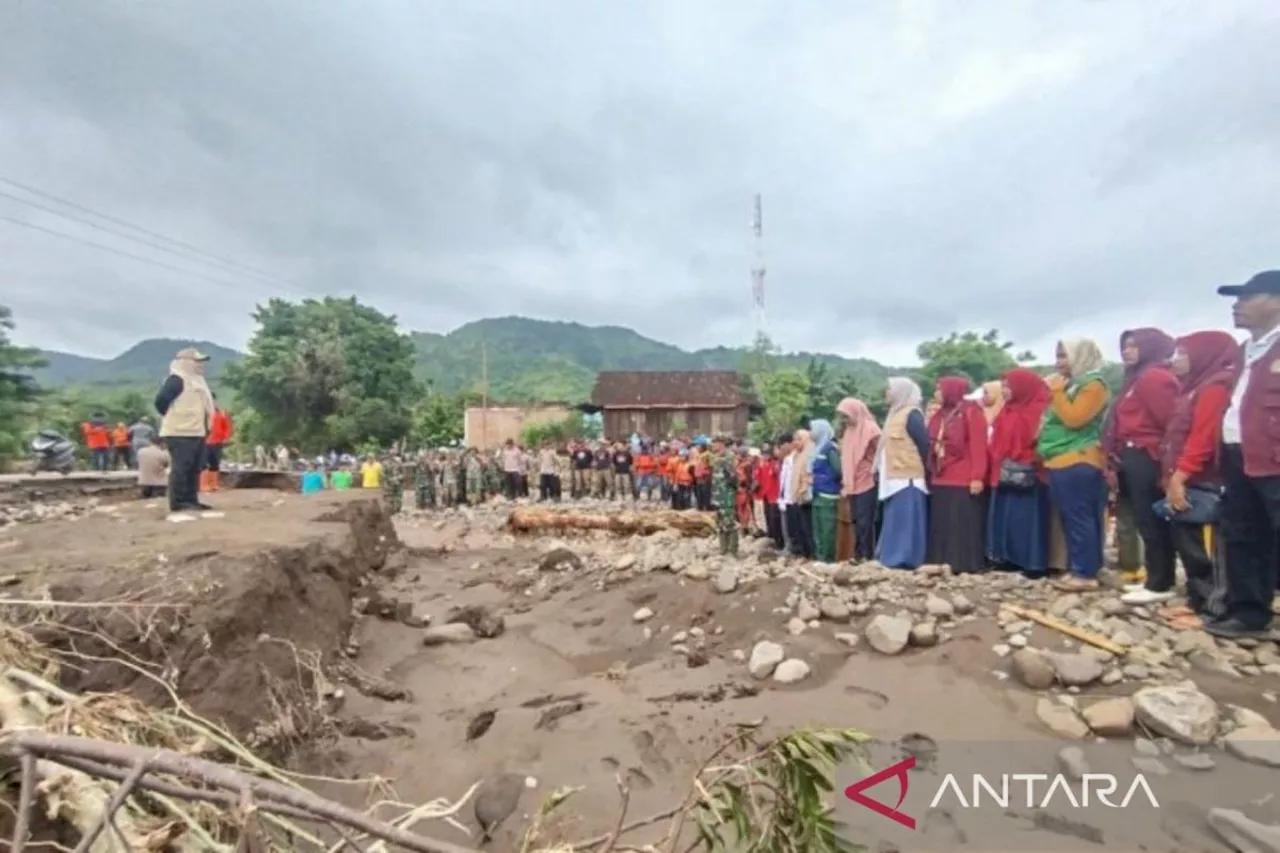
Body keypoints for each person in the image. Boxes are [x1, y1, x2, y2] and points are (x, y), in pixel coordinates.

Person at [1148, 331, 1242, 629]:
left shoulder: (1215, 388)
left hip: (1203, 479)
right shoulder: (1192, 388)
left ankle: (1213, 608)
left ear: (1203, 355)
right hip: (1188, 477)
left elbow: (1202, 437)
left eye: (1183, 354)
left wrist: (1181, 475)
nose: (1176, 360)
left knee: (1206, 546)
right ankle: (1196, 600)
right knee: (1187, 541)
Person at [1209, 270, 1280, 639]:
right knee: (1242, 534)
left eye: (1247, 298)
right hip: (1240, 456)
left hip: (1274, 459)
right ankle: (1249, 613)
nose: (1237, 306)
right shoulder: (1244, 351)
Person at [1104, 328, 1180, 604]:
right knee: (1143, 519)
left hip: (1147, 454)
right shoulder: (1135, 379)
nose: (1127, 351)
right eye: (1125, 346)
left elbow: (1170, 422)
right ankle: (1156, 577)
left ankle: (1160, 582)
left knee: (1152, 520)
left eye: (1134, 346)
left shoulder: (1154, 378)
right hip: (1132, 454)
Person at [1040, 339, 1111, 591]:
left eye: (1064, 356)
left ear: (1080, 356)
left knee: (1081, 517)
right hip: (1062, 458)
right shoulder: (1073, 384)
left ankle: (1086, 573)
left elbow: (1075, 419)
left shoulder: (1093, 385)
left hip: (1079, 459)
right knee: (1072, 517)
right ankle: (1081, 567)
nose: (1058, 362)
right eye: (1057, 356)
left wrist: (1056, 392)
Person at [987, 368, 1052, 576]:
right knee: (1007, 516)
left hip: (1030, 471)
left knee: (1029, 519)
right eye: (1003, 386)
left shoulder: (1038, 410)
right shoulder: (1007, 410)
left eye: (1009, 386)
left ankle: (1032, 562)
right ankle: (1008, 558)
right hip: (1006, 471)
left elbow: (1039, 439)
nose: (1005, 390)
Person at [926, 377, 989, 574]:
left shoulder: (971, 411)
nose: (936, 393)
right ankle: (940, 561)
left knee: (961, 522)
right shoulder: (939, 415)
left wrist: (977, 476)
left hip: (963, 477)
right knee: (942, 521)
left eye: (939, 389)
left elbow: (979, 446)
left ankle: (964, 564)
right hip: (941, 475)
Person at [876, 377, 930, 569]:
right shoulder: (895, 415)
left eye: (890, 390)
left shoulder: (912, 415)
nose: (887, 394)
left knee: (906, 521)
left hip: (908, 478)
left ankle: (904, 559)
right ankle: (890, 557)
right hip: (893, 478)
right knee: (896, 520)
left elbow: (924, 445)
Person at [153, 348, 215, 513]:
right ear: (186, 362)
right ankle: (178, 501)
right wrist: (177, 417)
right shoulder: (176, 380)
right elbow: (160, 402)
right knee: (181, 467)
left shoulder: (198, 381)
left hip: (197, 431)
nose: (201, 365)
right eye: (197, 361)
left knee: (195, 467)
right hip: (179, 431)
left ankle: (191, 500)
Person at [836, 398, 881, 563]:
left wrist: (872, 467)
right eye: (843, 416)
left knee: (865, 520)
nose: (845, 420)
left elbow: (881, 452)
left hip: (866, 479)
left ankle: (867, 554)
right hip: (851, 482)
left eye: (846, 415)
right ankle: (858, 553)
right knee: (855, 519)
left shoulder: (871, 429)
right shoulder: (849, 431)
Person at [808, 419, 843, 563]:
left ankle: (828, 559)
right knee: (818, 529)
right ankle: (819, 557)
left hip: (828, 495)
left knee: (827, 530)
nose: (810, 433)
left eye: (812, 429)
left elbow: (838, 471)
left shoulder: (830, 449)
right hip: (817, 494)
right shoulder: (817, 449)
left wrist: (821, 480)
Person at [788, 429, 815, 559]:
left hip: (807, 496)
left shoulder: (810, 453)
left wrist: (803, 488)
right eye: (794, 440)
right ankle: (805, 554)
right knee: (801, 527)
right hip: (798, 496)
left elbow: (808, 475)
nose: (795, 442)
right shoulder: (797, 455)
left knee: (808, 527)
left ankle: (811, 554)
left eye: (799, 439)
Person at [710, 436, 739, 556]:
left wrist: (730, 491)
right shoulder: (717, 457)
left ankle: (732, 550)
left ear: (721, 444)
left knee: (730, 522)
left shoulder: (728, 457)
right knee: (721, 522)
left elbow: (733, 477)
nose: (713, 446)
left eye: (714, 443)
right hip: (718, 495)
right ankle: (723, 549)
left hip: (727, 494)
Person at [756, 441, 784, 549]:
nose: (765, 456)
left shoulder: (775, 463)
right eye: (763, 453)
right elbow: (758, 477)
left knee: (775, 519)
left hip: (775, 496)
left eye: (767, 453)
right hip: (766, 495)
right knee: (768, 517)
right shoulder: (762, 463)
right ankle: (771, 538)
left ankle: (778, 542)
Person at [203, 398, 233, 492]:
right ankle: (204, 485)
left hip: (217, 442)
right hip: (205, 442)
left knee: (215, 463)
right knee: (204, 463)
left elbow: (227, 427)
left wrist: (226, 438)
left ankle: (214, 484)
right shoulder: (203, 413)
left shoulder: (222, 413)